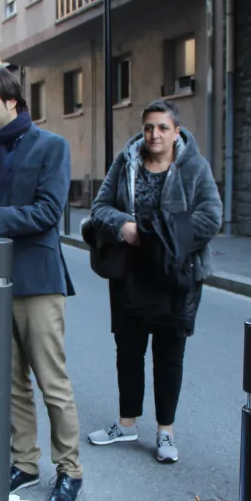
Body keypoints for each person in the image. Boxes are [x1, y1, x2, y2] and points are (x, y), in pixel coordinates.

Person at [0, 68, 84, 501]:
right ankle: (25, 462)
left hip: (38, 282)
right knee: (10, 385)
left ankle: (70, 469)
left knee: (52, 382)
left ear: (12, 101)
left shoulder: (52, 147)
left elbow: (48, 213)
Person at [85, 100, 222, 463]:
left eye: (162, 127)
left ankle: (165, 432)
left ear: (177, 132)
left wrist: (158, 236)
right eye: (149, 127)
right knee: (128, 351)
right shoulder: (125, 162)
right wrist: (124, 226)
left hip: (177, 276)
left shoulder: (195, 167)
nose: (154, 134)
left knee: (169, 354)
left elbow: (211, 218)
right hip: (131, 274)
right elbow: (99, 208)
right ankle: (126, 423)